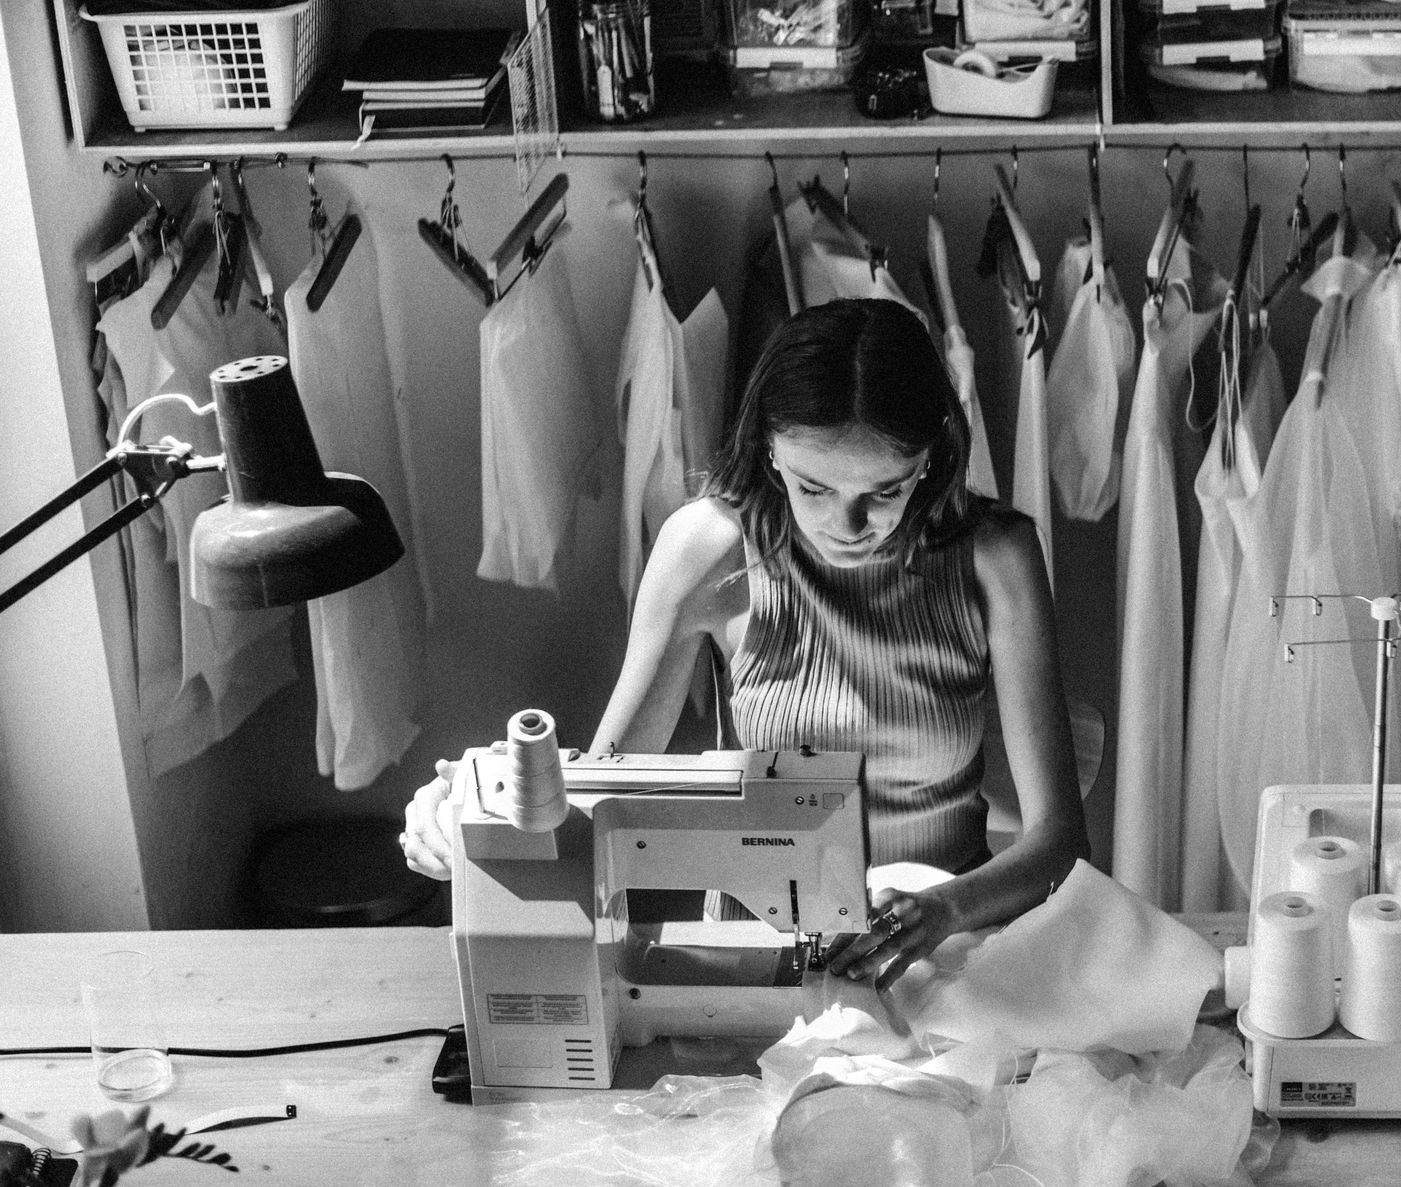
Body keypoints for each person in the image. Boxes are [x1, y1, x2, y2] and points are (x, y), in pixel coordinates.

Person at [402, 298, 1089, 990]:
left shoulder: (994, 558)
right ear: (768, 448)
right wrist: (472, 800)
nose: (849, 524)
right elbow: (604, 796)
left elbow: (1061, 842)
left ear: (930, 458)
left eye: (886, 491)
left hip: (945, 947)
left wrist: (943, 909)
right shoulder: (708, 549)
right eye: (814, 488)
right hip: (758, 947)